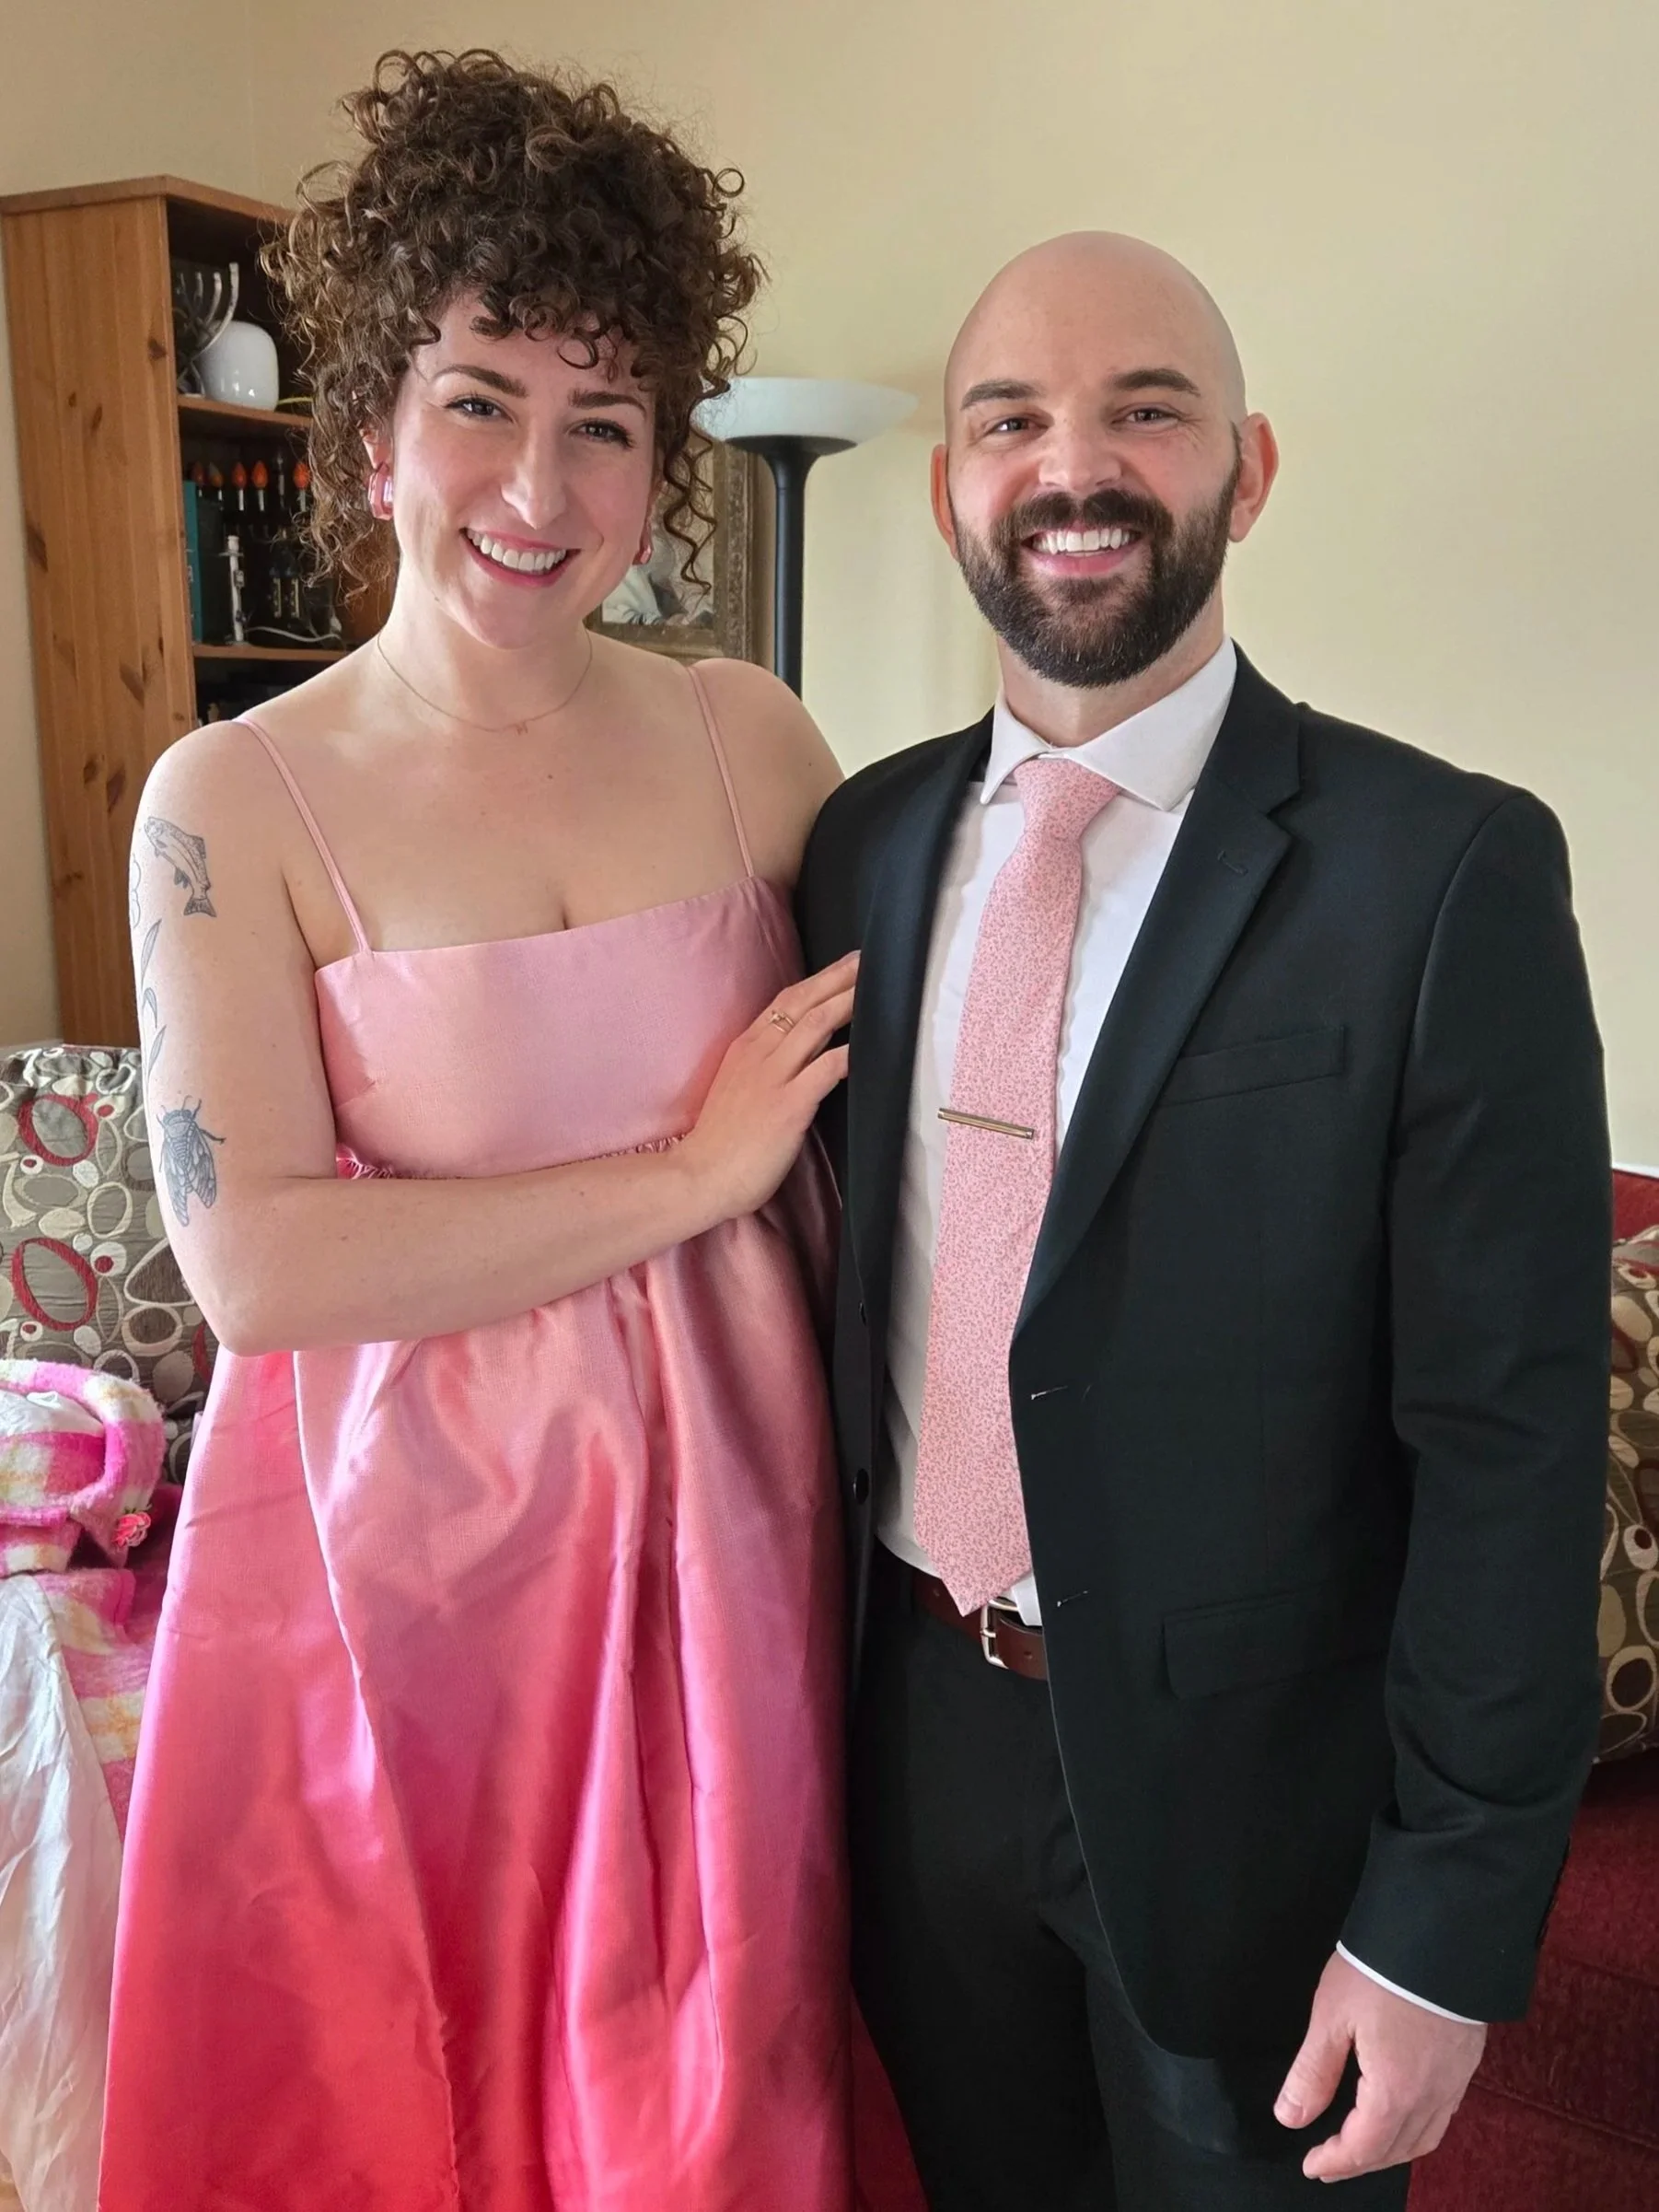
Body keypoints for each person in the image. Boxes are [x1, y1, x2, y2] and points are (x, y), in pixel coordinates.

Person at [103, 52, 857, 2212]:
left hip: (739, 1519)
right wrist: (687, 1182)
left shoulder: (750, 737)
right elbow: (256, 1264)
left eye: (604, 422)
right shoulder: (229, 800)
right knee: (417, 2093)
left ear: (660, 469)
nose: (538, 482)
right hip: (408, 1578)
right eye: (480, 398)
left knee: (725, 2077)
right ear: (370, 425)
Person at [797, 232, 1611, 2211]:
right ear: (950, 491)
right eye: (1013, 421)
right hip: (911, 1741)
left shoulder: (1441, 871)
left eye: (1144, 411)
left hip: (1260, 1796)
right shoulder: (859, 847)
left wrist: (1444, 1915)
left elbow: (1510, 1445)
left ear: (1245, 471)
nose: (1074, 467)